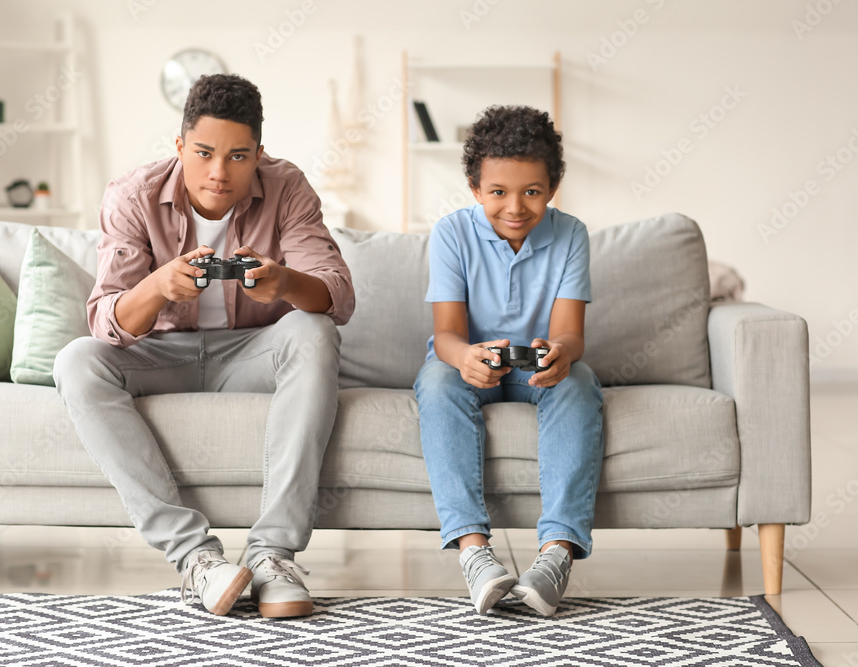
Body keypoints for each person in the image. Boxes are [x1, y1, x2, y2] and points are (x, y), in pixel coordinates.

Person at [54, 73, 354, 619]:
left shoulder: (288, 187)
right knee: (77, 360)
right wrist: (157, 286)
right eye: (204, 153)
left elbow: (337, 295)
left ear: (259, 153)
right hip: (160, 356)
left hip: (249, 354)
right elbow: (104, 318)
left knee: (313, 329)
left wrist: (284, 283)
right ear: (179, 145)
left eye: (239, 156)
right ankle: (198, 559)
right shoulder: (131, 194)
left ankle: (272, 556)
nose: (219, 173)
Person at [414, 105, 604, 617]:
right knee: (437, 381)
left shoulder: (571, 235)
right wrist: (464, 358)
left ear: (553, 187)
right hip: (469, 365)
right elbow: (447, 335)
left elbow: (571, 335)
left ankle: (556, 555)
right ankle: (475, 553)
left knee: (580, 381)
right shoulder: (452, 234)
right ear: (476, 189)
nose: (515, 207)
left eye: (532, 192)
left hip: (536, 369)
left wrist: (562, 353)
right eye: (498, 192)